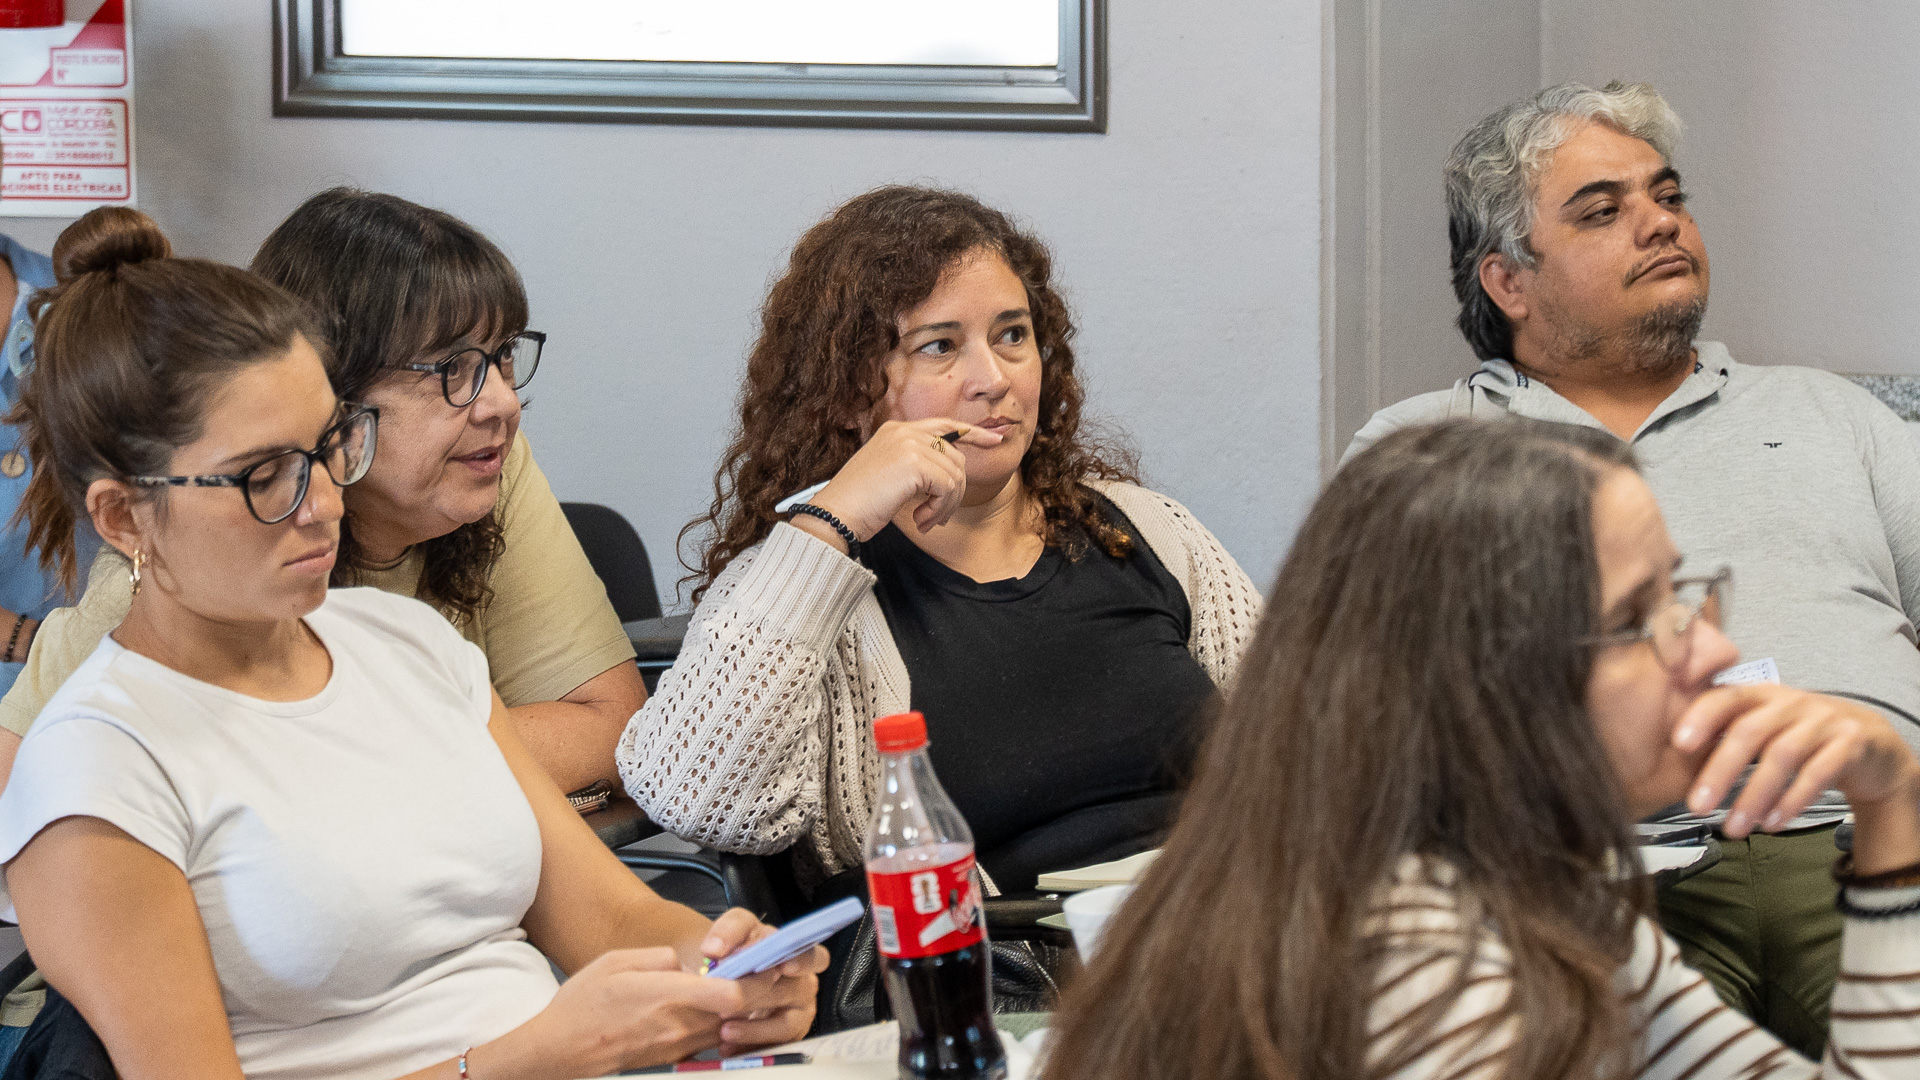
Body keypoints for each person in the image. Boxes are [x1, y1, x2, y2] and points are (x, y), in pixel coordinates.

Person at [0, 211, 824, 1080]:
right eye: (266, 477)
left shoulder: (407, 642)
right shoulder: (94, 769)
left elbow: (615, 920)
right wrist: (532, 1057)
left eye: (329, 448)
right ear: (125, 517)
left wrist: (724, 970)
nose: (324, 501)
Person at [1044, 418, 1920, 1080]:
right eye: (1636, 617)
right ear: (1484, 684)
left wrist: (1892, 804)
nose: (1714, 649)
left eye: (1680, 593)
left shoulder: (1533, 889)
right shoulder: (1428, 970)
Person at [1341, 81, 1920, 1056]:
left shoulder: (1828, 413)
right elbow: (1372, 722)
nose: (1661, 223)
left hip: (1870, 830)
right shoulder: (1430, 449)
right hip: (1601, 870)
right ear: (1508, 282)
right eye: (1602, 211)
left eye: (1668, 195)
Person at [621, 186, 1262, 898]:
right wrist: (833, 519)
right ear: (849, 392)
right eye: (940, 347)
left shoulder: (1146, 530)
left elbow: (1303, 741)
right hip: (1004, 953)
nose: (994, 380)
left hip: (1229, 915)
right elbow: (695, 798)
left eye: (1012, 335)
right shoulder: (798, 589)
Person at [0, 190, 644, 795]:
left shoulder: (473, 472)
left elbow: (613, 729)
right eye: (453, 369)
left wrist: (349, 770)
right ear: (329, 392)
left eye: (501, 355)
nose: (503, 404)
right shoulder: (177, 572)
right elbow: (27, 789)